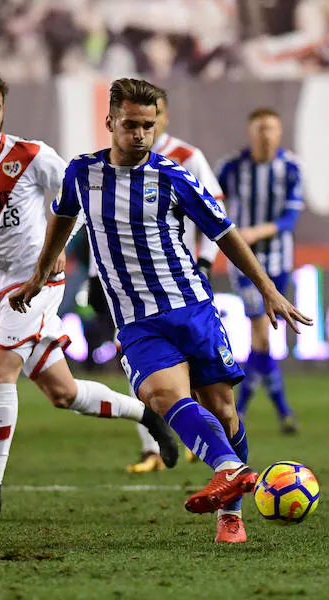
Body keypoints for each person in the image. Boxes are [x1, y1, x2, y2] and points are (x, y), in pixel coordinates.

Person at [10, 78, 312, 544]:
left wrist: (268, 289)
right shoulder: (81, 173)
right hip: (135, 319)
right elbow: (63, 218)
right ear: (110, 121)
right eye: (130, 125)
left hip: (190, 307)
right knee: (161, 396)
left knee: (225, 412)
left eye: (148, 126)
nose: (139, 135)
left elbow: (224, 232)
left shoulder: (173, 176)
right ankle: (231, 475)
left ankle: (230, 507)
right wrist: (39, 274)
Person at [0, 70, 178, 518]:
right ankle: (150, 418)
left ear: (3, 110)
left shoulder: (31, 155)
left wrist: (59, 251)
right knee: (63, 393)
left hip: (36, 283)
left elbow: (80, 197)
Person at [125, 88, 226, 474]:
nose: (146, 127)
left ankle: (198, 441)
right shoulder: (114, 166)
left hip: (183, 282)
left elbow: (214, 211)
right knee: (139, 373)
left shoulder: (186, 157)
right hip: (134, 289)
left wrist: (204, 262)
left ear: (163, 117)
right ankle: (154, 449)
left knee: (199, 376)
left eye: (154, 117)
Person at [217, 107, 305, 435]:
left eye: (271, 128)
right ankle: (271, 411)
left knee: (263, 340)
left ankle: (244, 409)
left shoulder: (292, 168)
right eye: (259, 129)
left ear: (279, 133)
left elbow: (289, 220)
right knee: (262, 337)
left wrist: (255, 232)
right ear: (250, 133)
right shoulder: (230, 167)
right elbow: (211, 203)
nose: (265, 135)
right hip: (244, 264)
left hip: (280, 263)